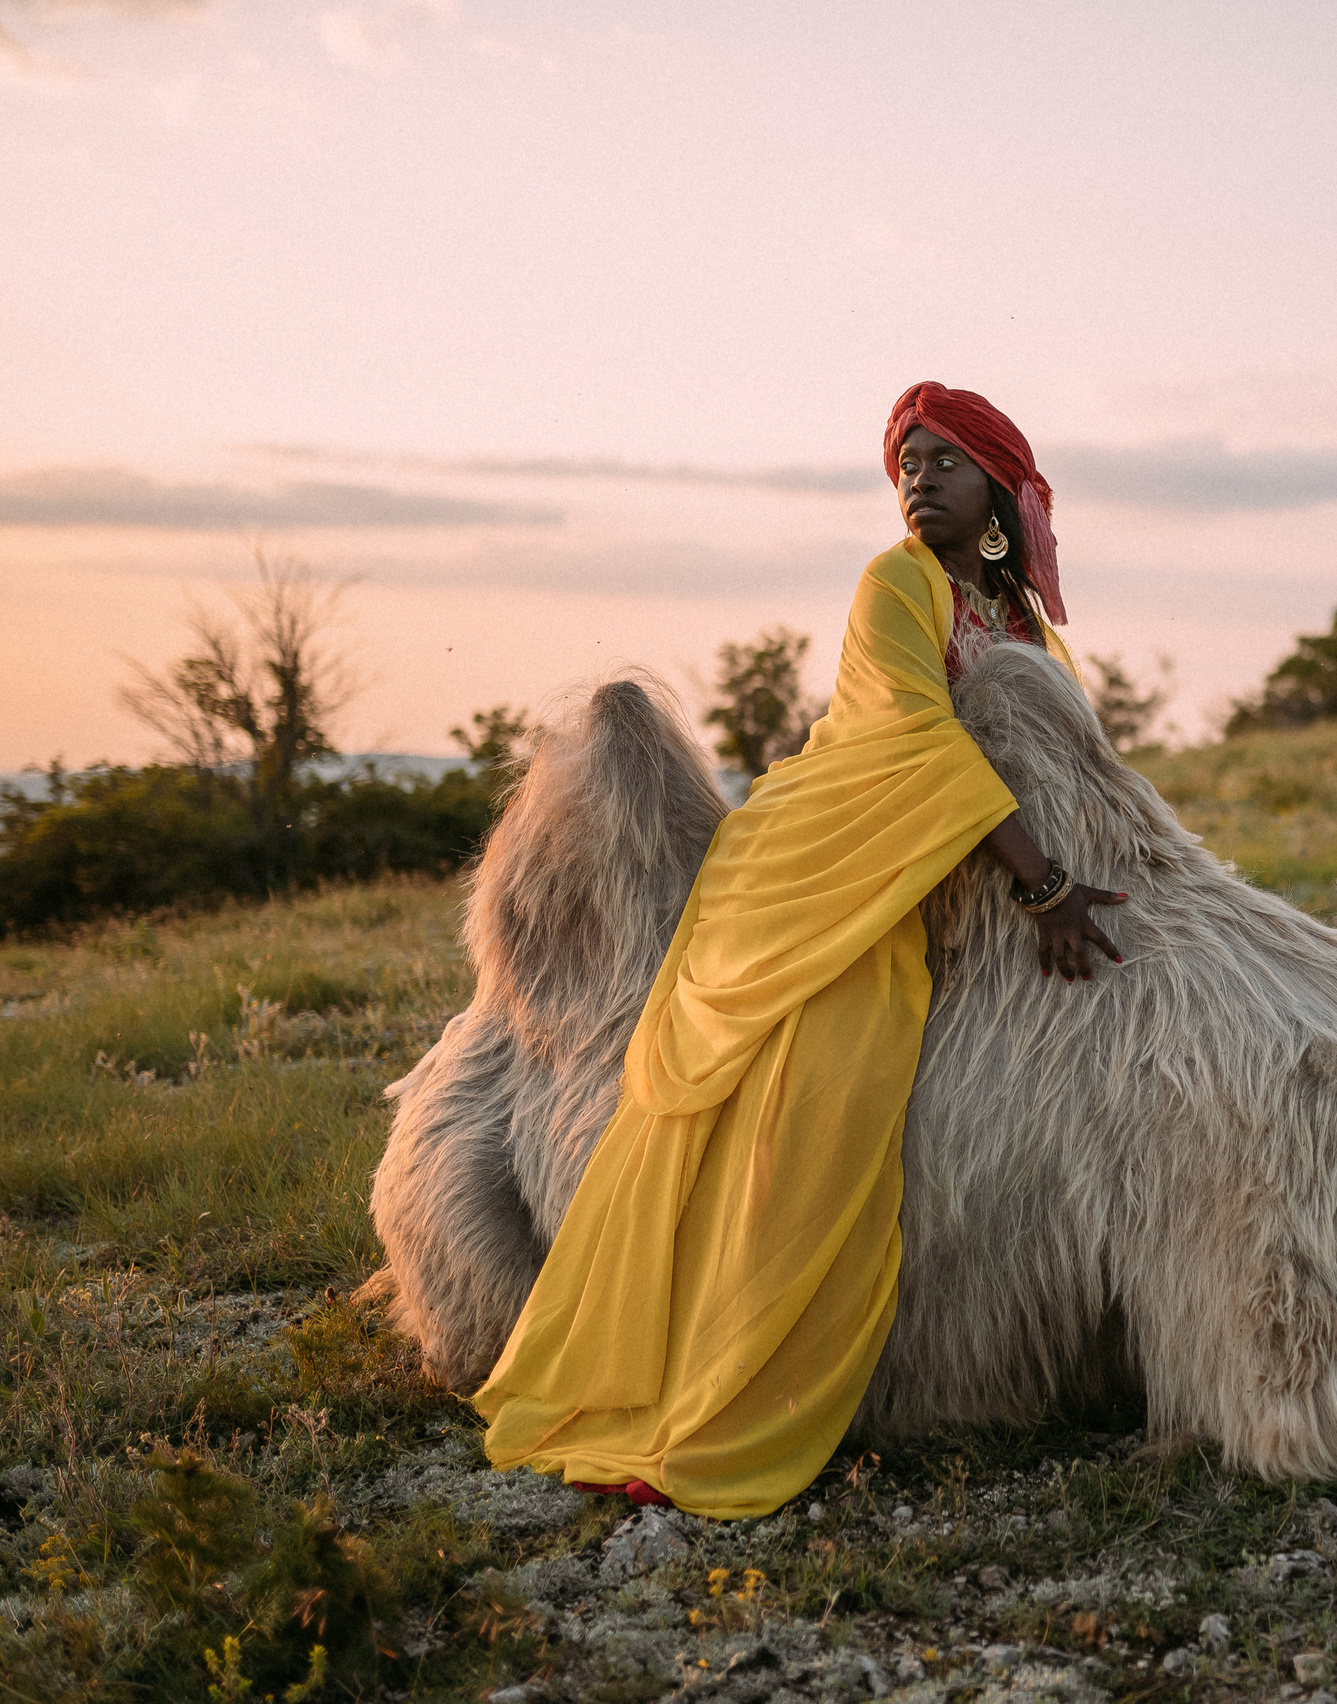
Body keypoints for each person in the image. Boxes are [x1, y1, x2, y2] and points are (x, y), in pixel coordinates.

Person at [472, 383, 1126, 1518]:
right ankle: (717, 1384)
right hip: (827, 868)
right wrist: (1048, 886)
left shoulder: (1025, 626)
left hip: (952, 863)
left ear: (1002, 494)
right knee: (828, 1092)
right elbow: (915, 739)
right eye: (905, 462)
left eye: (944, 461)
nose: (918, 478)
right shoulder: (896, 586)